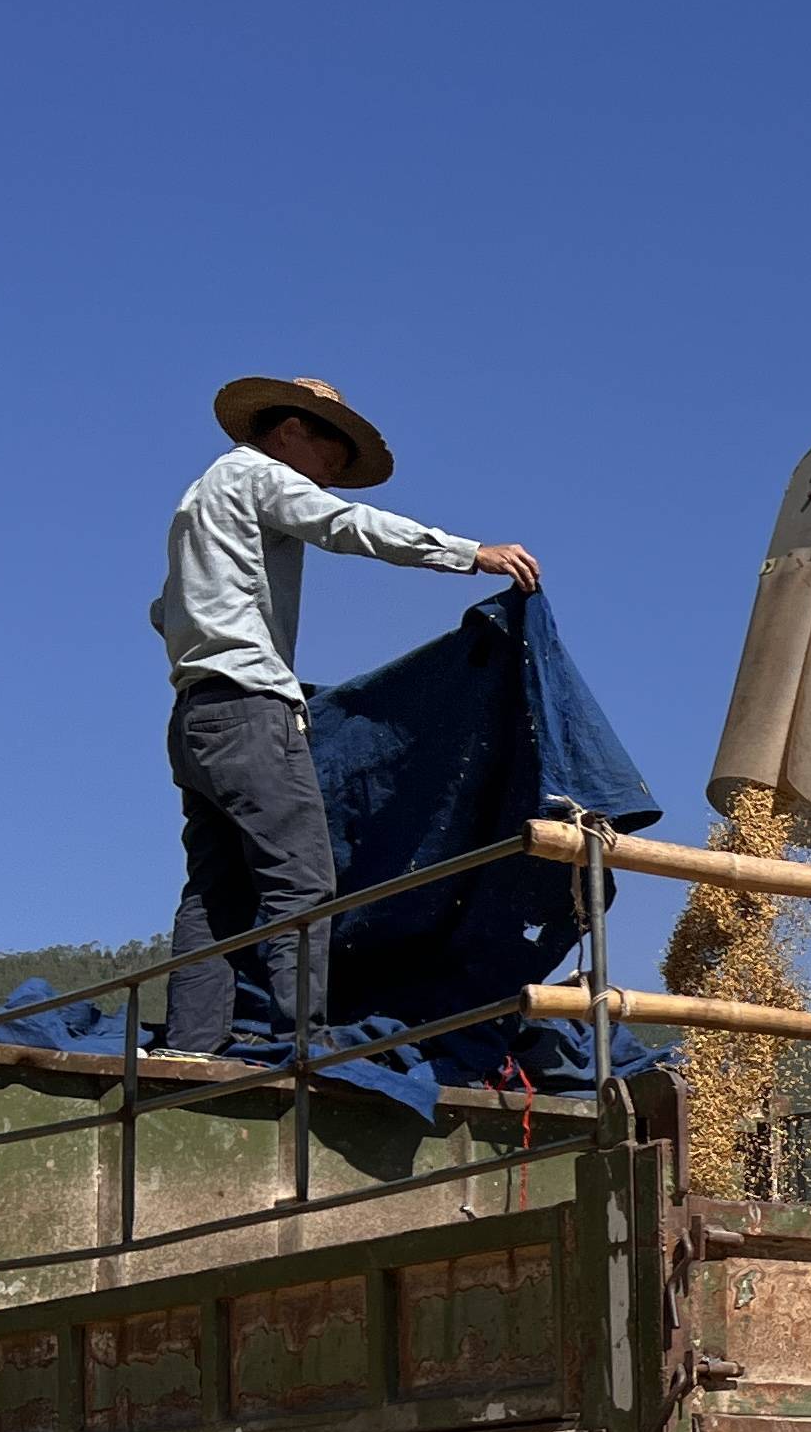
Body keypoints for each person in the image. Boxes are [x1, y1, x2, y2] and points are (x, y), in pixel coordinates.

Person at [153, 376, 542, 1053]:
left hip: (196, 714)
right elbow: (344, 524)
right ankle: (304, 1046)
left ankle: (191, 1044)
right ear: (289, 433)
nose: (337, 465)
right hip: (248, 708)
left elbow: (165, 612)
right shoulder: (258, 476)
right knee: (301, 878)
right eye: (333, 443)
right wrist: (466, 554)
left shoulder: (202, 500)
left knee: (214, 891)